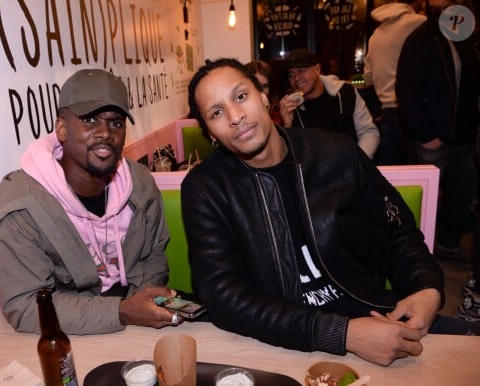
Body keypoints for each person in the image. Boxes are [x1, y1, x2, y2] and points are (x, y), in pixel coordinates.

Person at [182, 58, 480, 367]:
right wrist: (342, 334)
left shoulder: (337, 152)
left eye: (240, 96)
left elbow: (397, 230)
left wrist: (426, 286)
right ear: (210, 134)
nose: (235, 116)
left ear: (263, 96)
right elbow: (224, 296)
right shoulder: (206, 188)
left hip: (376, 312)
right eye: (216, 112)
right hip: (283, 337)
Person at [0, 69, 181, 334]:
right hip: (70, 334)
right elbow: (26, 306)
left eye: (116, 122)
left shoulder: (140, 184)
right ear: (62, 129)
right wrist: (121, 312)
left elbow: (155, 254)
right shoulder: (19, 207)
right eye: (90, 120)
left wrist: (141, 304)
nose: (105, 133)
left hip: (137, 325)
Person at [396, 0, 479, 264]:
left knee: (462, 194)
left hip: (462, 138)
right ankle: (420, 259)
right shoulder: (420, 39)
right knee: (425, 202)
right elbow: (407, 90)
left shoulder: (464, 39)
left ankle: (448, 244)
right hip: (434, 139)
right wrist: (425, 134)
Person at [278, 49, 380, 160]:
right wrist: (287, 126)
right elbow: (292, 156)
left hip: (351, 166)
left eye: (302, 70)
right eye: (291, 74)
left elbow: (368, 132)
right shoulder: (292, 107)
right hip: (316, 173)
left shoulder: (345, 93)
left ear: (317, 69)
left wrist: (358, 163)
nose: (296, 78)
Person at [363, 0, 426, 165]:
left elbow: (367, 76)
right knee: (421, 172)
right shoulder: (421, 23)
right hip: (416, 109)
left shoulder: (376, 35)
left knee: (394, 173)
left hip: (387, 112)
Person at [245, 60, 282, 125]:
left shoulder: (278, 114)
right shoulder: (241, 117)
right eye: (256, 85)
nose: (260, 91)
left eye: (265, 86)